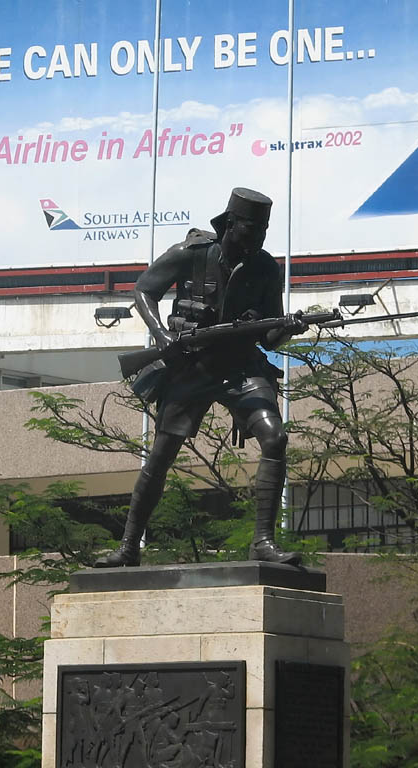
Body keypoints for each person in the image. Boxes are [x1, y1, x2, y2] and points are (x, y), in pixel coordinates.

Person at [95, 187, 306, 568]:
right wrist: (162, 336)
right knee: (160, 459)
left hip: (241, 367)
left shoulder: (265, 268)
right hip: (193, 367)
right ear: (229, 224)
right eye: (249, 230)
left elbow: (270, 338)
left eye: (263, 231)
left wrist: (291, 326)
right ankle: (128, 546)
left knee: (275, 438)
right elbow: (144, 290)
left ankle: (262, 542)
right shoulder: (190, 254)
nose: (256, 239)